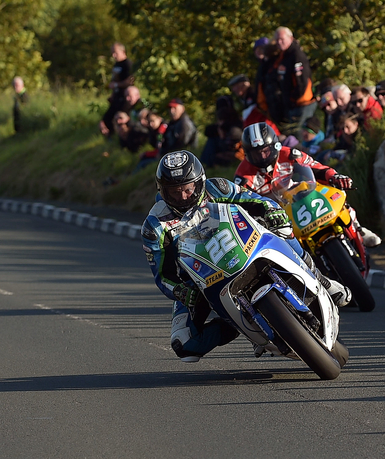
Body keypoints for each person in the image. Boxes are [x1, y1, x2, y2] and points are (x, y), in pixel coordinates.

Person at [141, 150, 348, 362]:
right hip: (200, 279)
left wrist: (272, 211)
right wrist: (180, 291)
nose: (182, 197)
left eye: (187, 189)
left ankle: (320, 278)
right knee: (184, 346)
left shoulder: (216, 187)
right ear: (162, 191)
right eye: (173, 192)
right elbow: (162, 276)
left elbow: (257, 201)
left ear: (199, 182)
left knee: (283, 227)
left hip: (244, 244)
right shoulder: (154, 226)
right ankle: (241, 325)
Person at [235, 122, 381, 247]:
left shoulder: (290, 154)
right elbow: (241, 205)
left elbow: (317, 167)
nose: (262, 157)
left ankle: (358, 228)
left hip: (304, 198)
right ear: (247, 154)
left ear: (275, 146)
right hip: (278, 217)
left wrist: (335, 177)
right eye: (256, 154)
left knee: (335, 193)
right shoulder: (242, 176)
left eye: (265, 151)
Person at [258, 27, 317, 130]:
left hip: (302, 103)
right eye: (277, 40)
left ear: (290, 38)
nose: (279, 42)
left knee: (299, 136)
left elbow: (302, 81)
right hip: (291, 105)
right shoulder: (283, 57)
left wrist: (293, 98)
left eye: (282, 39)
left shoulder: (296, 55)